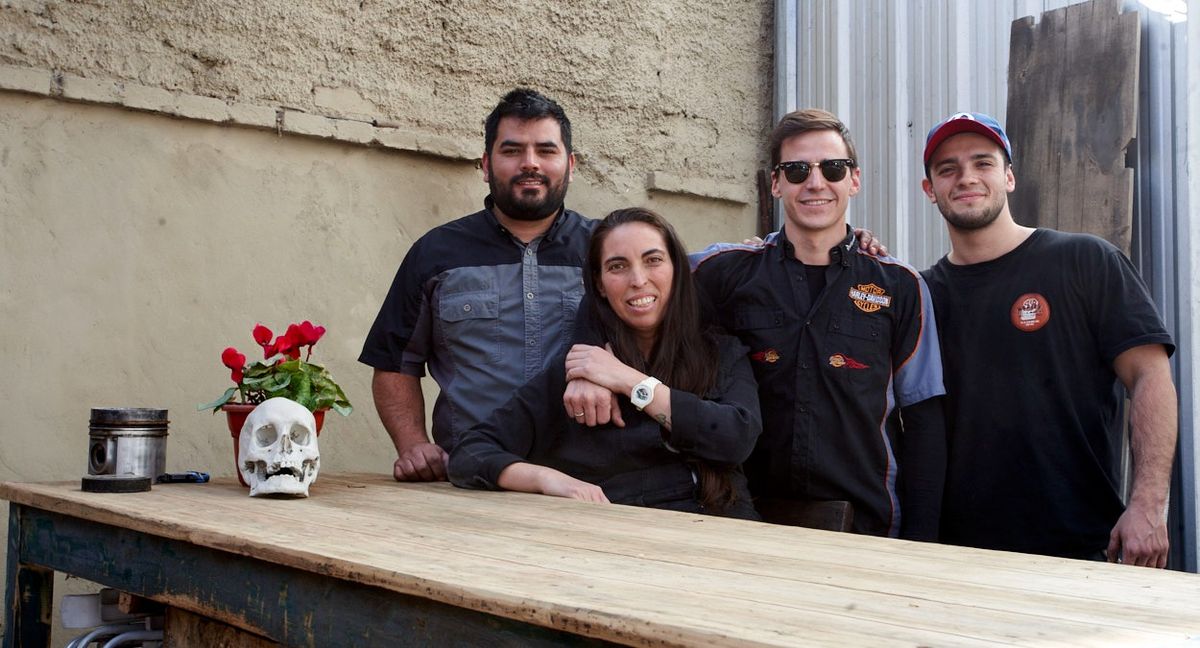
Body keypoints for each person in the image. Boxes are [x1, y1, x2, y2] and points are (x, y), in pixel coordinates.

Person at [919, 112, 1178, 565]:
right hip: (957, 556)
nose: (966, 178)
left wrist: (1148, 504)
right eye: (948, 169)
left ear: (1009, 177)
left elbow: (1149, 376)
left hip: (1079, 548)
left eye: (983, 163)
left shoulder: (1085, 261)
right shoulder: (920, 295)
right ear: (930, 189)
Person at [689, 109, 947, 540]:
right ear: (776, 183)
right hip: (744, 521)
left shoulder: (901, 286)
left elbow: (924, 421)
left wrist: (921, 542)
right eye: (796, 170)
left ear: (854, 180)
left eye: (832, 168)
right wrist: (594, 368)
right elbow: (637, 283)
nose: (815, 182)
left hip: (865, 529)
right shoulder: (725, 273)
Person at [449, 208, 762, 518]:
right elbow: (470, 452)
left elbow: (736, 439)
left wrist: (631, 382)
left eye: (653, 260)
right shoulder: (579, 371)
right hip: (618, 536)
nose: (638, 280)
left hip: (723, 532)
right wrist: (547, 479)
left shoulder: (721, 352)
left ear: (677, 269)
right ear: (599, 284)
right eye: (617, 266)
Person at [359, 88, 593, 482]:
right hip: (471, 477)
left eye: (546, 150)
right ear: (486, 164)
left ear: (570, 164)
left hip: (589, 476)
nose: (530, 163)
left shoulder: (606, 253)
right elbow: (394, 363)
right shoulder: (436, 253)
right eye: (512, 150)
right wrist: (413, 444)